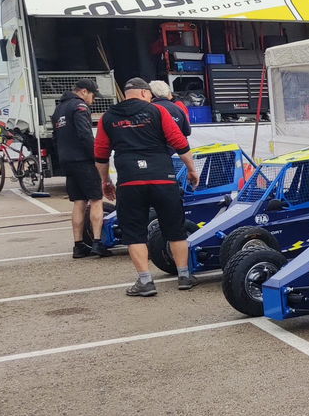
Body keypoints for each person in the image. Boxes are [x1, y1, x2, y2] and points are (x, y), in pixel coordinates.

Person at [94, 78, 200, 296]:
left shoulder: (108, 117)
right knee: (175, 229)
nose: (151, 97)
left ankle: (145, 282)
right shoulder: (158, 112)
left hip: (130, 181)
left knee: (135, 233)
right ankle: (184, 276)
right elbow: (180, 142)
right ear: (143, 93)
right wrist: (191, 169)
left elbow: (101, 154)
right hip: (163, 177)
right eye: (150, 94)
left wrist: (105, 181)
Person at [51, 79, 108, 259]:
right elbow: (85, 134)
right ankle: (97, 243)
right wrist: (96, 156)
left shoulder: (59, 108)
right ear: (84, 91)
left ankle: (78, 245)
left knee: (78, 202)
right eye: (92, 95)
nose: (93, 99)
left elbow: (55, 137)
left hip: (66, 161)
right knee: (96, 199)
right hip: (83, 160)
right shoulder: (79, 107)